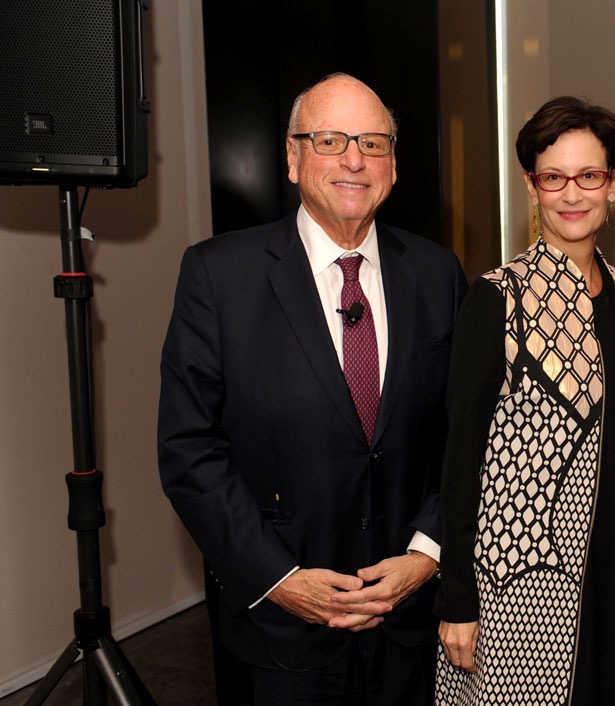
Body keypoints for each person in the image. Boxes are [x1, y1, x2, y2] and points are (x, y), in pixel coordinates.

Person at [158, 73, 467, 705]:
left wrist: (428, 554)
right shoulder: (218, 276)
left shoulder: (438, 274)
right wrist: (278, 578)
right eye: (331, 140)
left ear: (394, 166)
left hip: (408, 628)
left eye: (374, 143)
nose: (355, 159)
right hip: (281, 636)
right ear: (294, 158)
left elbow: (464, 435)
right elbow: (189, 450)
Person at [434, 96, 615, 705]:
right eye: (553, 177)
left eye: (589, 176)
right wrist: (458, 599)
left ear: (613, 184)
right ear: (532, 187)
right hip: (524, 589)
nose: (572, 193)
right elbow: (460, 463)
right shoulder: (498, 298)